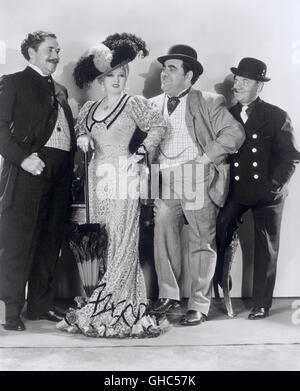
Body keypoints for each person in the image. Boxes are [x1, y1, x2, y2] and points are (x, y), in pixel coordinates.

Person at [56, 33, 168, 338]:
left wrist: (142, 153)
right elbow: (81, 129)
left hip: (125, 176)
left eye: (121, 75)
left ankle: (117, 305)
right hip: (97, 178)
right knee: (105, 240)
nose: (117, 81)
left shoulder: (135, 104)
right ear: (100, 81)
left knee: (124, 240)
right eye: (110, 76)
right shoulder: (90, 109)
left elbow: (159, 125)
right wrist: (83, 138)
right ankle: (105, 300)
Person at [149, 45, 245, 325]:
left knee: (202, 241)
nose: (164, 74)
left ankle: (199, 305)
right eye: (164, 68)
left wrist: (203, 160)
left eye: (172, 69)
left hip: (197, 178)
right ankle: (168, 295)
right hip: (165, 180)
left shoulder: (208, 100)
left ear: (189, 75)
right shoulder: (152, 104)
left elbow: (234, 133)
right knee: (163, 230)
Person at [0, 31, 76, 331]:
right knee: (19, 240)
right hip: (30, 169)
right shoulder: (14, 82)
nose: (56, 54)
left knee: (50, 239)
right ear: (31, 53)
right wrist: (22, 159)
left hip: (60, 173)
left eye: (58, 49)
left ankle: (40, 306)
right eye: (49, 49)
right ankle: (12, 310)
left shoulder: (58, 89)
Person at [216, 57, 300, 319]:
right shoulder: (225, 116)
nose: (237, 86)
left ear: (259, 87)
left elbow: (290, 156)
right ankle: (222, 284)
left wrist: (275, 186)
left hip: (268, 192)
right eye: (237, 80)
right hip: (237, 190)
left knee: (266, 246)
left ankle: (262, 303)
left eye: (245, 81)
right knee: (217, 228)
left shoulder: (275, 115)